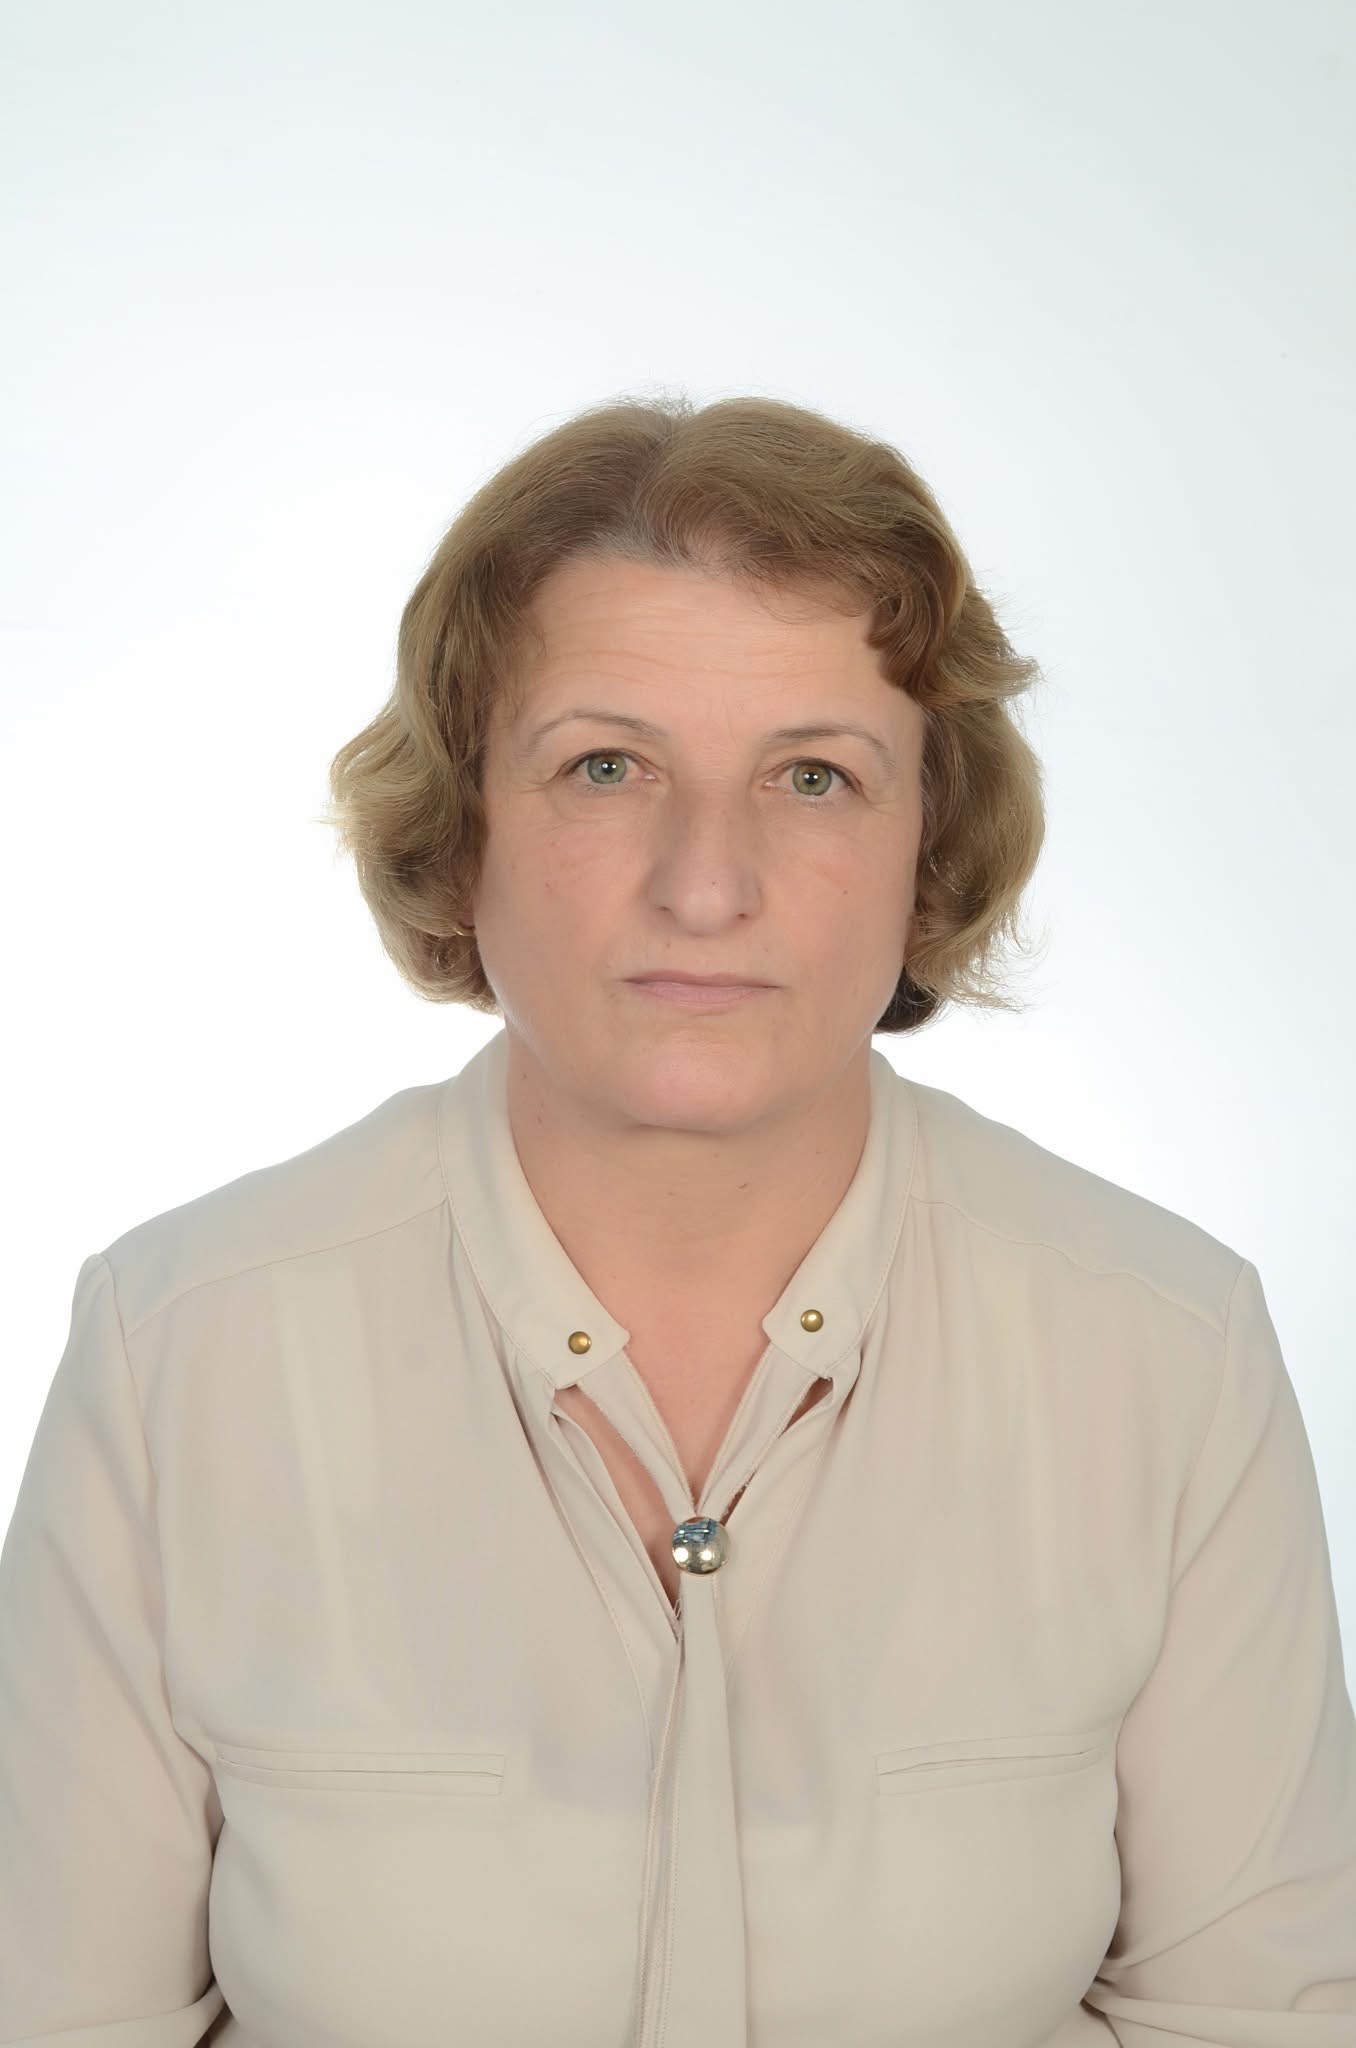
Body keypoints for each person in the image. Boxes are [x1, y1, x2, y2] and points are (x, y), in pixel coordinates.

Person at [2, 392, 1352, 2046]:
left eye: (814, 775)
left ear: (929, 841)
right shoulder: (179, 1351)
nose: (706, 885)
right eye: (606, 766)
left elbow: (1254, 2021)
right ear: (460, 828)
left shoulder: (1169, 1350)